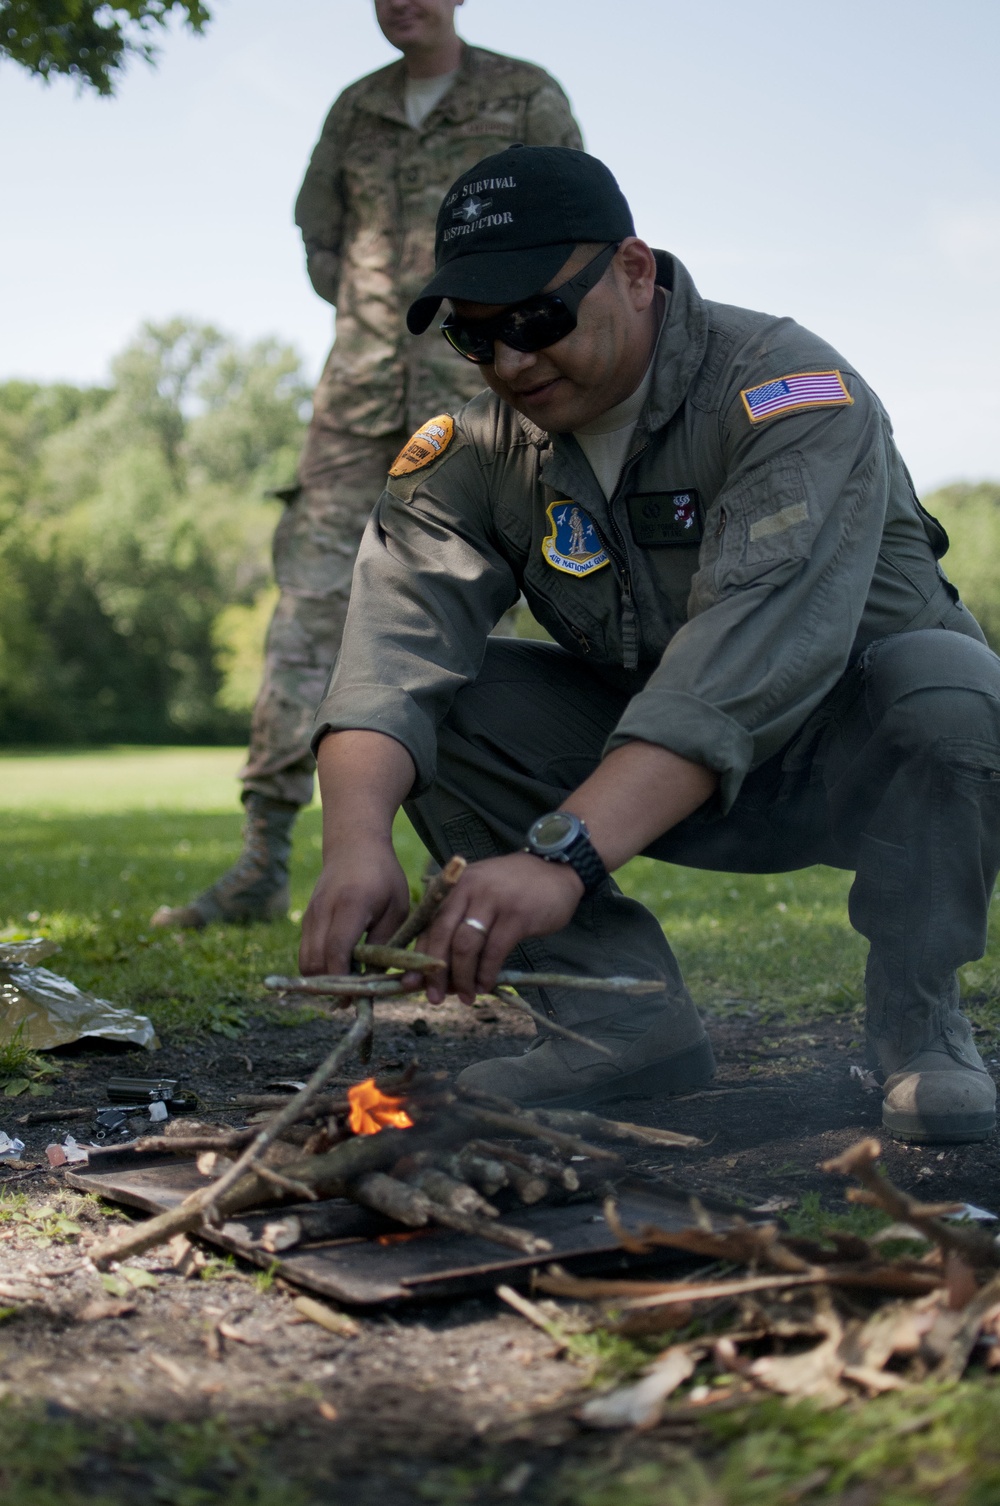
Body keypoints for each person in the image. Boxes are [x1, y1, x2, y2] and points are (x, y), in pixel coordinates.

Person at [298, 144, 1000, 1146]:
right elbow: (390, 652)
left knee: (955, 684)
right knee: (450, 699)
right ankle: (618, 1027)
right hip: (650, 777)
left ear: (633, 270)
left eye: (536, 321)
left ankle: (917, 1015)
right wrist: (356, 844)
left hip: (858, 767)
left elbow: (748, 654)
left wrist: (562, 853)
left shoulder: (786, 392)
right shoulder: (473, 449)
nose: (509, 362)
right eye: (474, 335)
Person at [152, 0, 581, 930]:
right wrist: (370, 321)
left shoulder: (525, 95)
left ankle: (474, 876)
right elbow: (321, 242)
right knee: (305, 612)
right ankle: (263, 861)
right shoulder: (354, 109)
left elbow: (570, 240)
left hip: (475, 392)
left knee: (473, 624)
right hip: (351, 404)